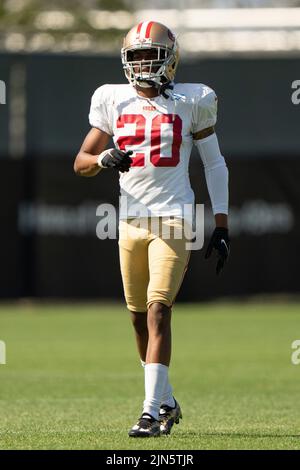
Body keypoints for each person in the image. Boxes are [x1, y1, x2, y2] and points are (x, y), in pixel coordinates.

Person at [74, 20, 230, 438]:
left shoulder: (193, 99)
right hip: (129, 221)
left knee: (160, 308)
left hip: (175, 217)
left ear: (170, 57)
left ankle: (148, 412)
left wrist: (221, 222)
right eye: (136, 54)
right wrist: (105, 158)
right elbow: (81, 162)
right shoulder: (111, 99)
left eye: (151, 53)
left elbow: (214, 163)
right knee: (138, 320)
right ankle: (167, 400)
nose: (143, 62)